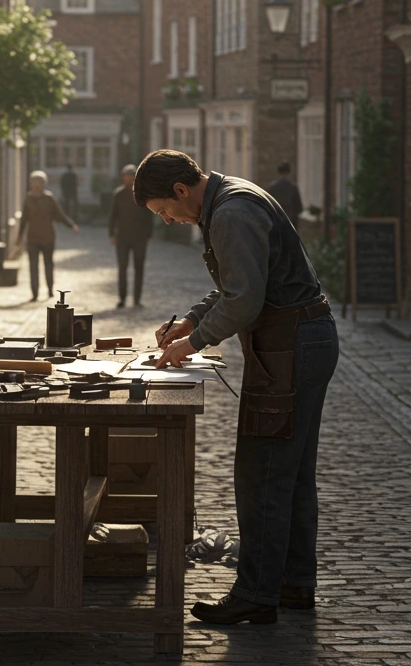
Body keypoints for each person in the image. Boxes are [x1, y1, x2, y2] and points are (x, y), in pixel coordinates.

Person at [135, 149, 337, 626]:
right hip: (298, 342)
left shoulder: (231, 212)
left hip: (291, 346)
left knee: (261, 471)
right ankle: (292, 584)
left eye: (164, 210)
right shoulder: (231, 199)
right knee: (290, 473)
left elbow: (244, 299)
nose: (166, 221)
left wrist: (193, 344)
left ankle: (256, 594)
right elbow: (236, 284)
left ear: (182, 191)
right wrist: (190, 320)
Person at [17, 170, 78, 301]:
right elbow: (24, 219)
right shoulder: (28, 199)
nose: (36, 185)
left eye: (39, 182)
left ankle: (50, 289)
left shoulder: (49, 198)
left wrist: (70, 224)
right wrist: (19, 236)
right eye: (34, 182)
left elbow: (59, 214)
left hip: (47, 238)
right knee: (33, 267)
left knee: (48, 265)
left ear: (44, 184)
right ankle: (34, 293)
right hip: (32, 238)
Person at [108, 163, 154, 309]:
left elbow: (149, 216)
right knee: (122, 268)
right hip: (122, 236)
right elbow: (113, 215)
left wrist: (148, 234)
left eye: (131, 177)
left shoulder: (142, 194)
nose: (128, 179)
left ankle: (137, 299)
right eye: (126, 177)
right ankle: (122, 298)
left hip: (139, 237)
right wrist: (111, 233)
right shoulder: (119, 194)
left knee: (139, 268)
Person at [264, 161, 303, 231]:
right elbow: (299, 207)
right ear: (288, 172)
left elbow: (267, 204)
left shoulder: (272, 187)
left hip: (276, 220)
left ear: (279, 172)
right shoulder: (293, 187)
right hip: (290, 221)